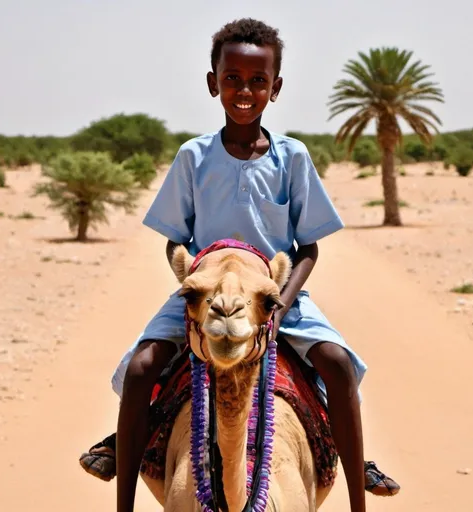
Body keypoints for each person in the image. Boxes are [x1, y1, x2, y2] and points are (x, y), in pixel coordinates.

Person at [80, 18, 400, 512]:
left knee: (336, 365)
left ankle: (355, 473)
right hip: (206, 292)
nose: (244, 90)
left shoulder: (292, 158)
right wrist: (190, 279)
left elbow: (309, 246)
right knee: (143, 368)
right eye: (233, 78)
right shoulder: (194, 156)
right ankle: (123, 476)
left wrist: (281, 303)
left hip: (273, 295)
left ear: (276, 87)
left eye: (257, 80)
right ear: (214, 83)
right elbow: (174, 239)